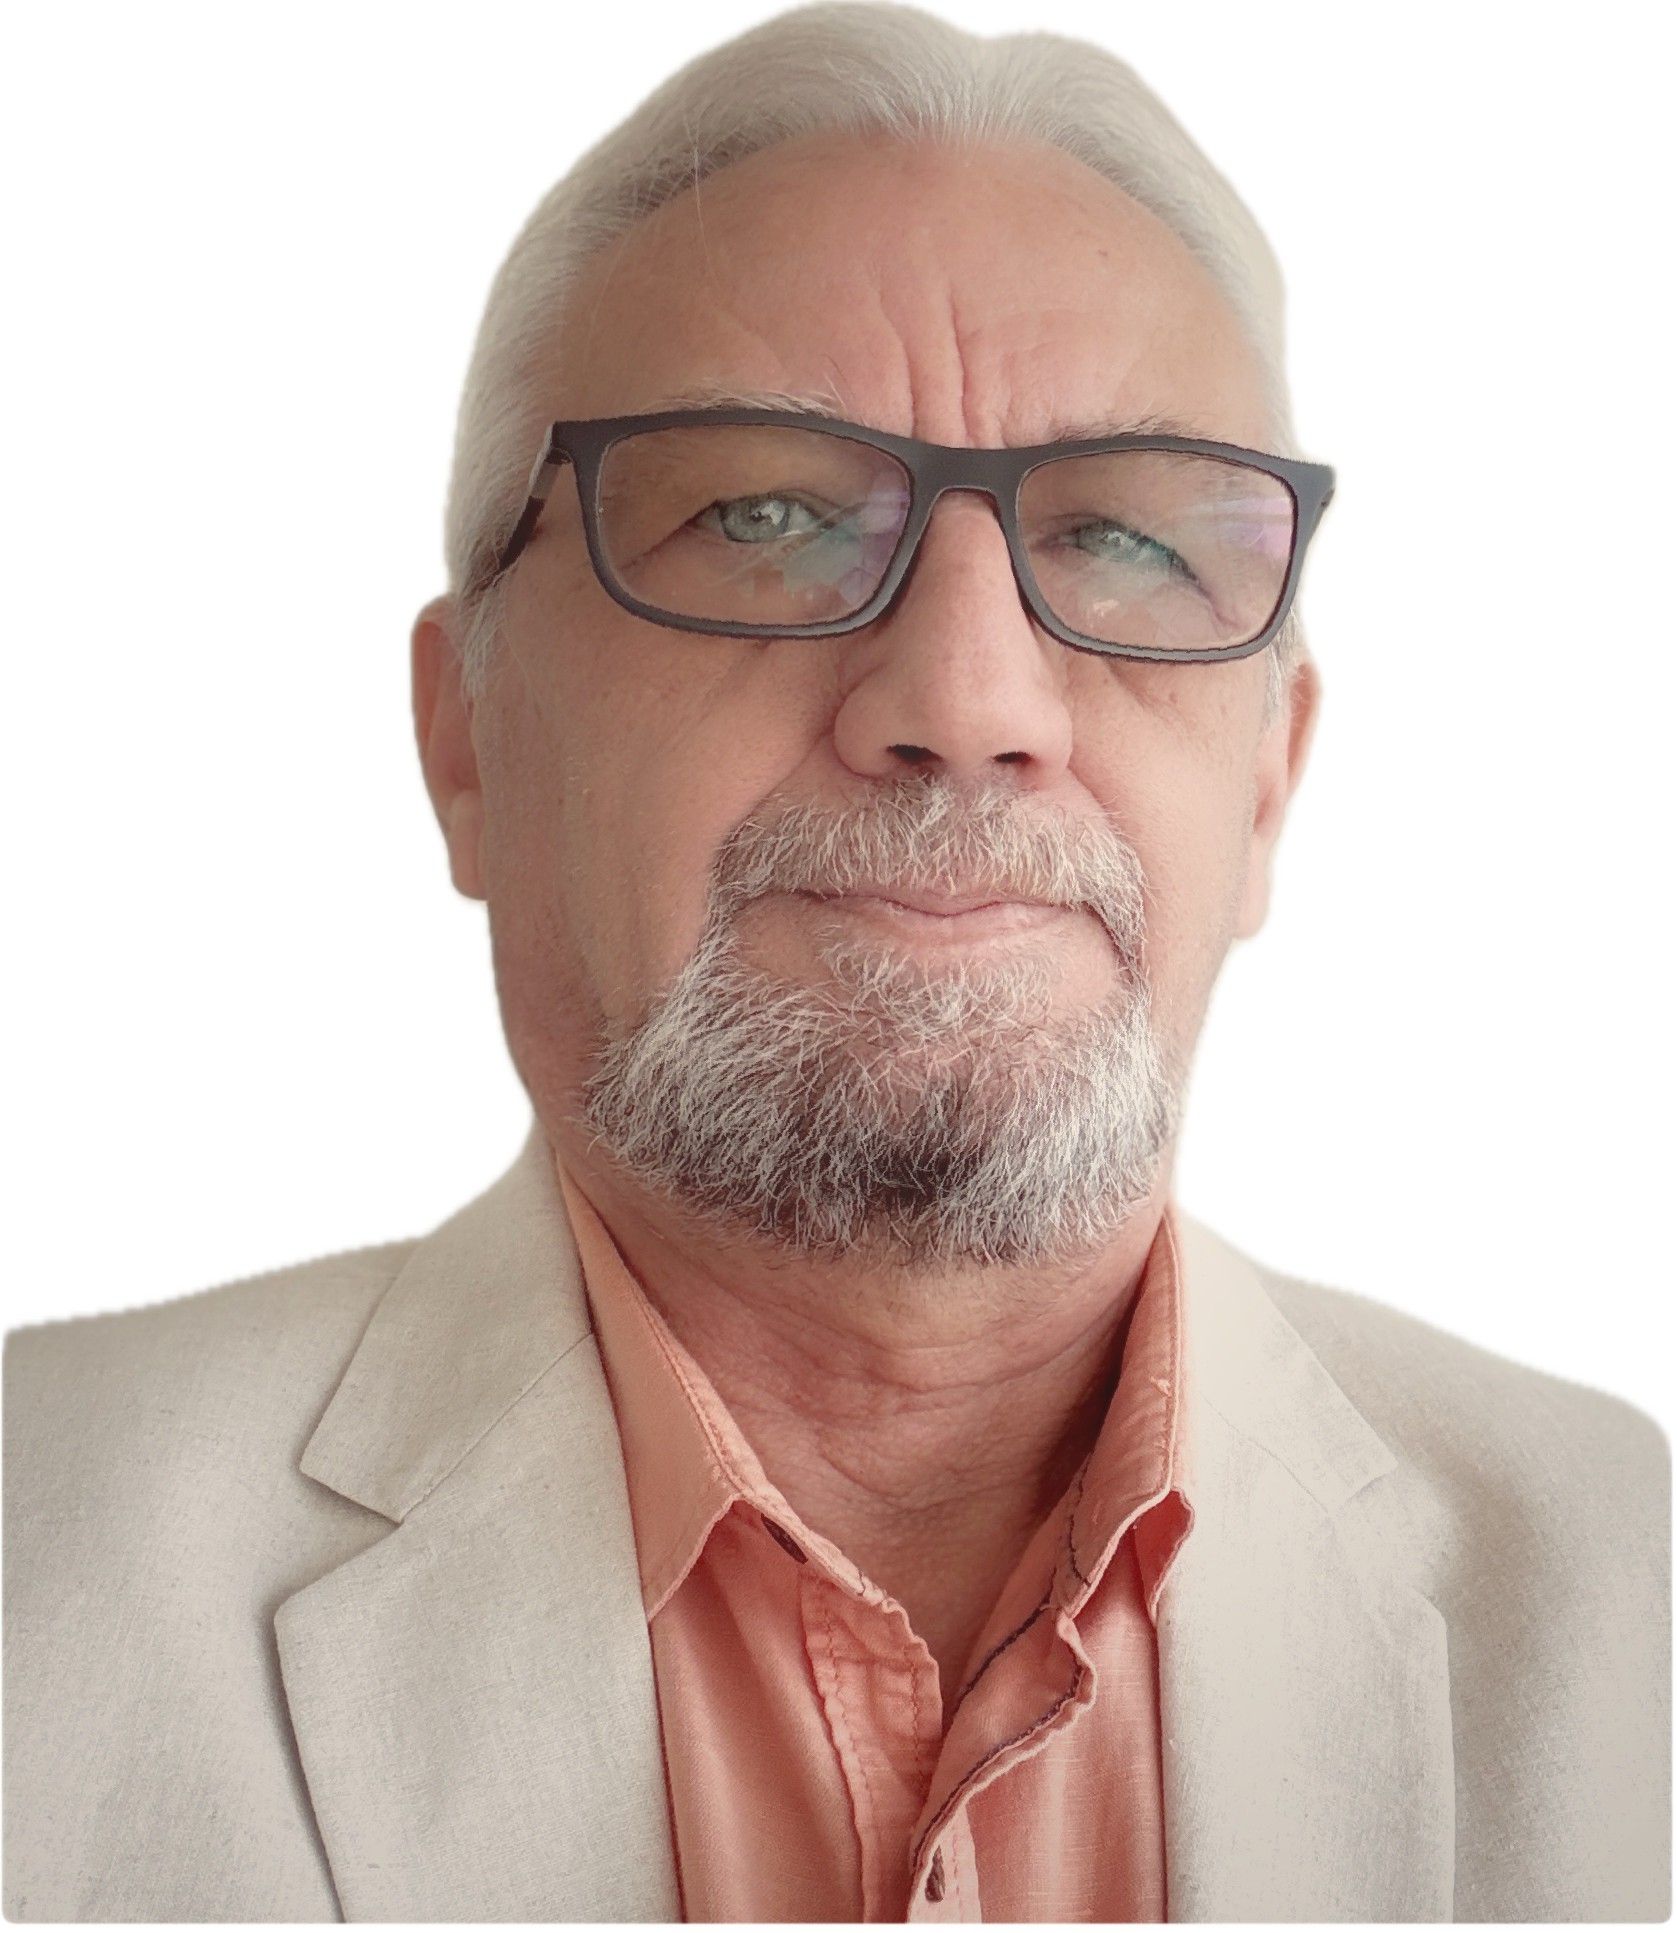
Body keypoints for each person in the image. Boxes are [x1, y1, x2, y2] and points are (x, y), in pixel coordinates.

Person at [4, 3, 1666, 1921]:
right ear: (466, 739)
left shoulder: (1635, 1591)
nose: (966, 699)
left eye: (1126, 541)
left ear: (1271, 784)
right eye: (766, 517)